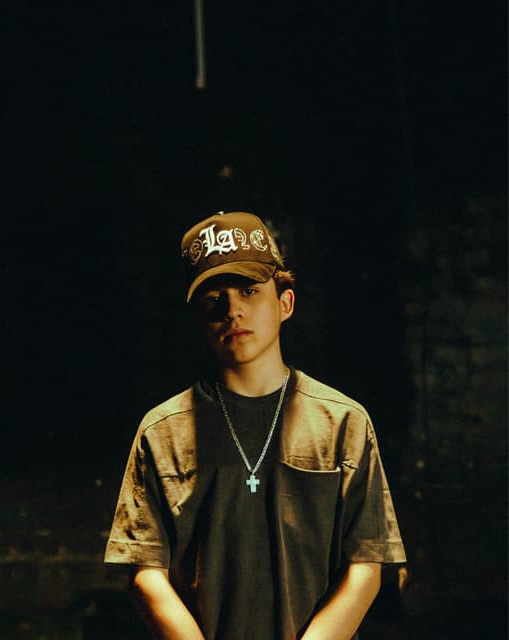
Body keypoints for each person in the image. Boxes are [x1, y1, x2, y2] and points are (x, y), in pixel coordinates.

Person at [104, 211, 406, 640]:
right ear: (198, 317)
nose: (233, 310)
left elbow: (366, 564)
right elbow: (145, 572)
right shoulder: (163, 431)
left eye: (249, 291)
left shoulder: (343, 422)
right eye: (215, 298)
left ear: (285, 303)